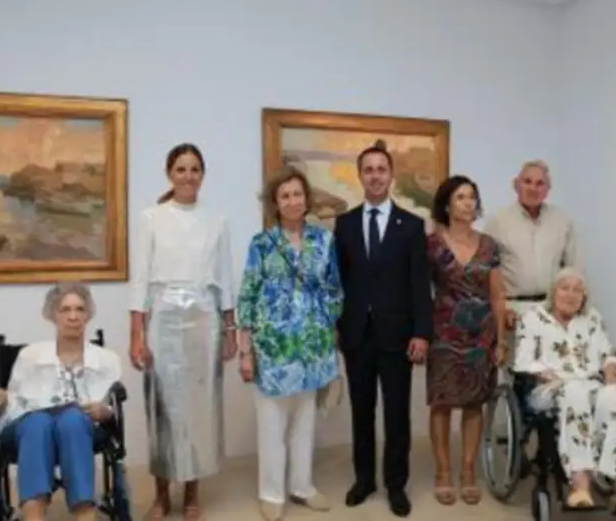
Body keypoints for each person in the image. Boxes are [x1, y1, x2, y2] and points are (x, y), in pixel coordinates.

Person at [128, 143, 238, 521]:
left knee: (199, 410)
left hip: (204, 319)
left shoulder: (217, 219)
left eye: (194, 169)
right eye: (181, 169)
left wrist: (230, 328)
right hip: (163, 318)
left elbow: (224, 274)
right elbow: (139, 278)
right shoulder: (150, 218)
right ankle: (161, 495)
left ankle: (192, 494)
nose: (188, 176)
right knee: (163, 409)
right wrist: (136, 333)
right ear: (169, 174)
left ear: (202, 175)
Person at [236, 167, 343, 521]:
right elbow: (248, 297)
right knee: (272, 422)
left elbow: (334, 288)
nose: (293, 201)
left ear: (307, 199)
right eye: (285, 196)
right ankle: (271, 492)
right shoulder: (262, 244)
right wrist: (245, 349)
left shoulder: (323, 240)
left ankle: (302, 486)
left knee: (305, 420)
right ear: (275, 203)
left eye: (298, 194)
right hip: (273, 347)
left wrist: (327, 328)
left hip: (312, 346)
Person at [333, 140, 433, 517]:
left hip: (398, 336)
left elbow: (419, 286)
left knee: (396, 415)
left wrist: (422, 332)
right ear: (360, 176)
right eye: (368, 170)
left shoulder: (411, 226)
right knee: (362, 413)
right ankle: (364, 481)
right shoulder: (343, 224)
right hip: (357, 335)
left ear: (391, 176)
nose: (375, 176)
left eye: (381, 169)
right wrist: (337, 326)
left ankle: (395, 484)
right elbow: (338, 283)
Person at [0, 282, 122, 521]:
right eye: (65, 310)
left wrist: (105, 412)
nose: (73, 316)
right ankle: (34, 514)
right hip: (30, 424)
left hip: (81, 426)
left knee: (73, 419)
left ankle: (84, 513)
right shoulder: (30, 355)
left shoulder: (107, 360)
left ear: (89, 314)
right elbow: (14, 396)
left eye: (80, 309)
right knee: (37, 422)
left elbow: (111, 405)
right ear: (52, 314)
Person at [512, 267, 616, 515]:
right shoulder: (534, 317)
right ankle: (581, 482)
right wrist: (546, 373)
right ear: (553, 292)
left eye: (578, 290)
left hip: (590, 383)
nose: (571, 295)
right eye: (564, 288)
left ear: (584, 297)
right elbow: (522, 360)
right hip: (550, 386)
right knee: (574, 393)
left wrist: (610, 372)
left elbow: (607, 352)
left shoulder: (591, 319)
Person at [424, 175, 508, 506]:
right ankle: (443, 471)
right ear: (447, 204)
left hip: (481, 335)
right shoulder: (431, 244)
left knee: (474, 403)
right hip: (443, 333)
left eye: (472, 197)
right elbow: (419, 291)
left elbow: (498, 296)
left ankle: (469, 471)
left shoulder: (490, 246)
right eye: (461, 197)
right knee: (441, 403)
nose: (468, 203)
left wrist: (500, 341)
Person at [484, 159, 580, 325]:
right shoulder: (498, 221)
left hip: (552, 310)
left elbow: (573, 269)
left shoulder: (561, 221)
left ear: (548, 190)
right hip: (512, 311)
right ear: (516, 185)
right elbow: (486, 271)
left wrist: (570, 308)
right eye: (527, 182)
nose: (533, 188)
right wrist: (501, 311)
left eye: (540, 183)